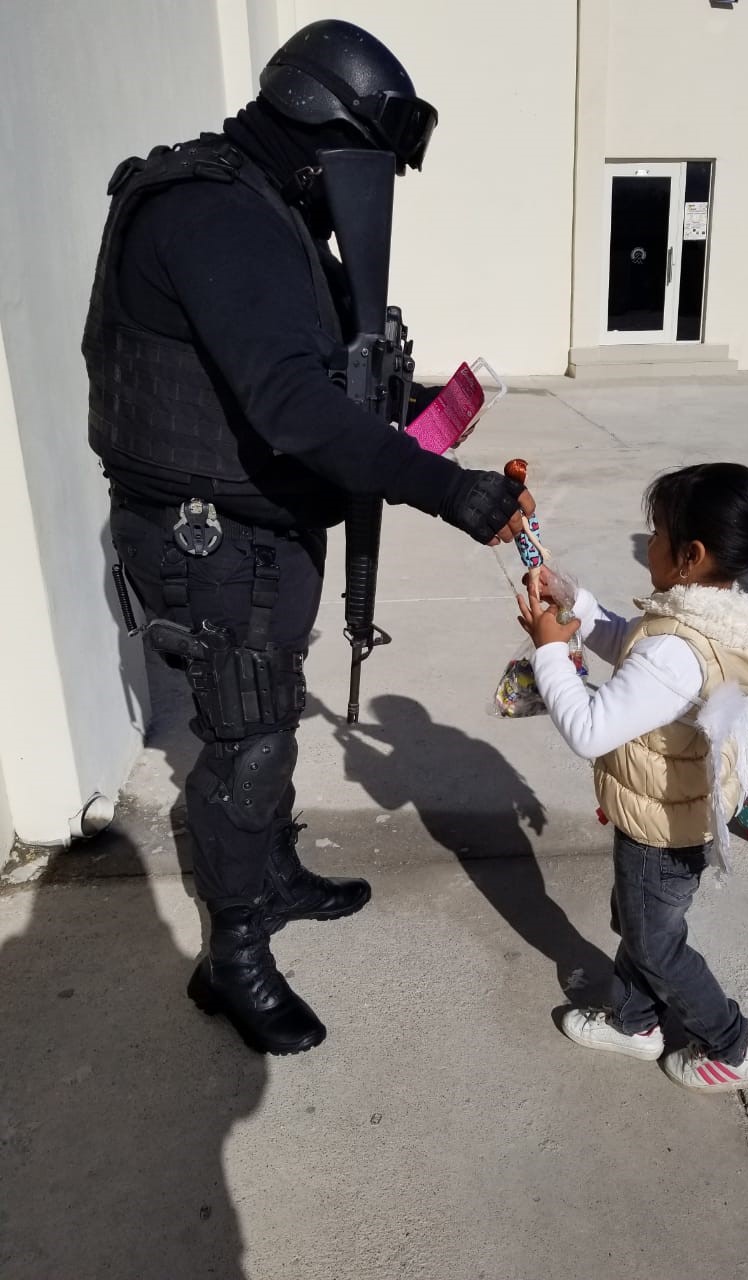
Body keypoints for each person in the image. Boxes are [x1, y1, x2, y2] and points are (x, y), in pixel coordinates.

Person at [83, 19, 533, 1057]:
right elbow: (288, 402)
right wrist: (439, 487)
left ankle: (271, 879)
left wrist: (423, 402)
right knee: (243, 745)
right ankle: (232, 957)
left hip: (257, 529)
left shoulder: (270, 211)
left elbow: (326, 369)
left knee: (271, 718)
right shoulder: (210, 213)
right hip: (204, 538)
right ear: (323, 123)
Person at [516, 463, 748, 1092]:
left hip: (664, 824)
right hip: (668, 809)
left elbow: (590, 729)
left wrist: (549, 649)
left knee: (657, 944)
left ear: (691, 555)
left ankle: (733, 1048)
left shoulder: (679, 648)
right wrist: (574, 602)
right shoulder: (707, 620)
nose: (649, 544)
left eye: (657, 533)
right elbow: (631, 644)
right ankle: (635, 1022)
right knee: (640, 922)